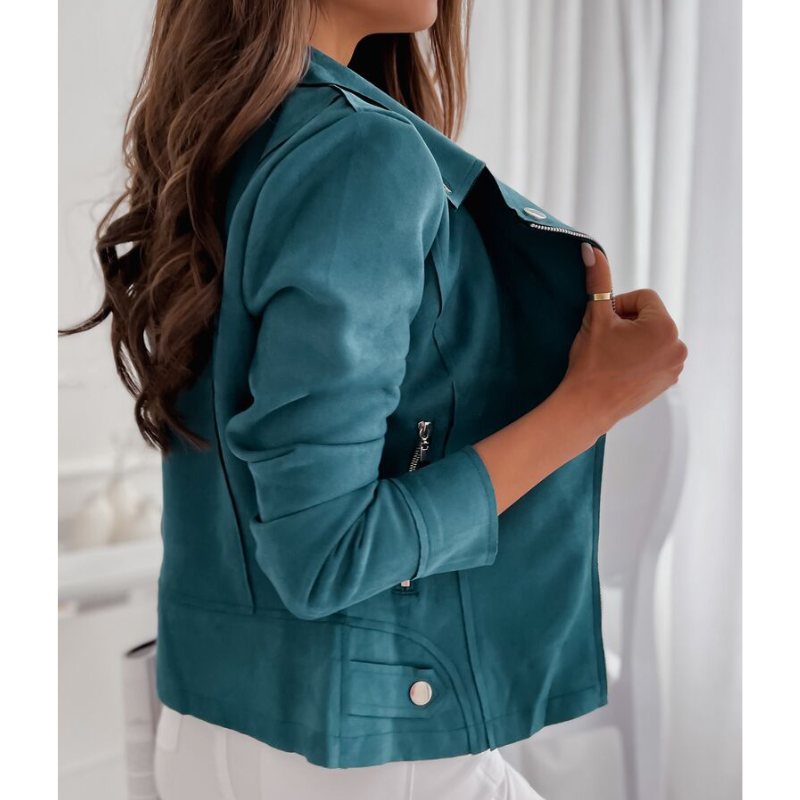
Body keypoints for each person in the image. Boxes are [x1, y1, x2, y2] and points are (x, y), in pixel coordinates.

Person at [62, 1, 687, 798]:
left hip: (208, 731)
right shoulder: (359, 152)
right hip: (362, 756)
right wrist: (589, 403)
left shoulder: (228, 139)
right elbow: (324, 552)